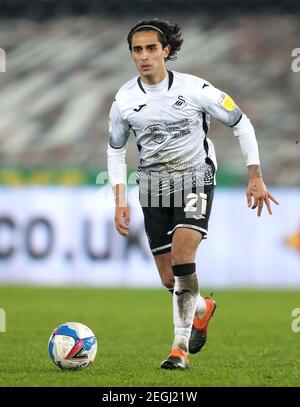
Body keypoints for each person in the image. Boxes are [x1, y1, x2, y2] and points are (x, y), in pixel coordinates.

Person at [107, 18, 279, 370]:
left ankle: (178, 348)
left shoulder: (196, 89)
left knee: (185, 256)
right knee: (171, 279)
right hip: (153, 186)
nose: (144, 56)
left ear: (166, 51)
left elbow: (241, 122)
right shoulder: (124, 100)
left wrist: (255, 176)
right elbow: (115, 149)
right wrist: (119, 199)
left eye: (151, 48)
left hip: (195, 177)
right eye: (137, 50)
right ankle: (201, 309)